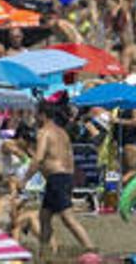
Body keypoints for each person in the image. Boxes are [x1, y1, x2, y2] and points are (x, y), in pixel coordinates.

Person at [23, 101, 94, 258]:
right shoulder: (62, 132)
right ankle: (45, 252)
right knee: (44, 216)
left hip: (57, 178)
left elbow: (38, 158)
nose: (34, 116)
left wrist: (25, 179)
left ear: (42, 114)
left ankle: (90, 249)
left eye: (36, 113)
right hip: (65, 176)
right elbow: (69, 156)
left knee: (67, 218)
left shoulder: (44, 132)